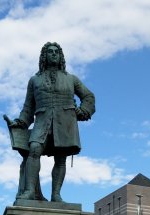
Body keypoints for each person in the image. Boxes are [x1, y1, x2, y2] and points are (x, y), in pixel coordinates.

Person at [6, 41, 95, 202]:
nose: (54, 54)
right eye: (50, 52)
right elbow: (28, 107)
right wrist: (20, 122)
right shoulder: (34, 80)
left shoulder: (71, 79)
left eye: (57, 52)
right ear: (44, 56)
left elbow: (88, 96)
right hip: (42, 121)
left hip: (65, 122)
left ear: (61, 56)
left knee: (61, 158)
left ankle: (56, 195)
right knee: (34, 148)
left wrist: (82, 111)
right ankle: (30, 191)